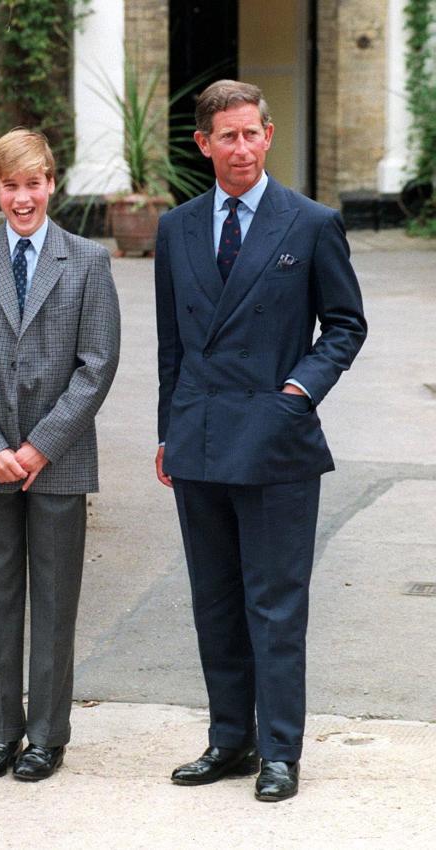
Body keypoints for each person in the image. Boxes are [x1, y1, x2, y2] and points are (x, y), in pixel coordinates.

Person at [154, 80, 367, 802]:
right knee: (213, 599)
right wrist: (167, 430)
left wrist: (297, 393)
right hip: (201, 435)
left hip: (276, 442)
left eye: (252, 134)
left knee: (274, 603)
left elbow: (344, 325)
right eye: (227, 136)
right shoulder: (176, 227)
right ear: (203, 144)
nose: (241, 148)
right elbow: (171, 344)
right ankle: (229, 740)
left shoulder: (309, 223)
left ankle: (280, 750)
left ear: (268, 135)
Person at [0, 128, 120, 782]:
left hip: (58, 461)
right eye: (10, 186)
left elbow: (96, 365)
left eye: (34, 184)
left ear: (52, 183)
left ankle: (46, 735)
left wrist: (41, 445)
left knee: (53, 600)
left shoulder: (87, 261)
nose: (22, 198)